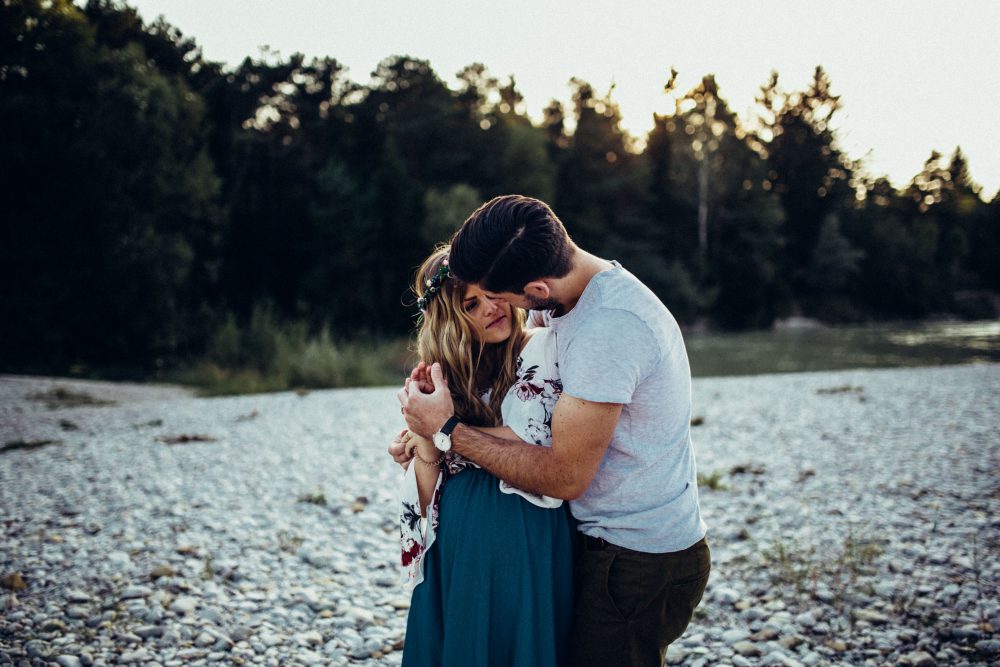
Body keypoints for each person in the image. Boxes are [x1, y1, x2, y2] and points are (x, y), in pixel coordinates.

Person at [396, 195, 710, 667]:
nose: (499, 309)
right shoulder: (569, 301)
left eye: (504, 298)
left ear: (537, 290)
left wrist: (446, 430)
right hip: (601, 542)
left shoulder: (608, 327)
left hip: (636, 556)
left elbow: (564, 475)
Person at [395, 246, 576, 667]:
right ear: (451, 318)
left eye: (492, 292)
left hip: (523, 529)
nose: (490, 308)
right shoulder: (447, 377)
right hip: (456, 540)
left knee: (520, 642)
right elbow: (423, 500)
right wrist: (423, 440)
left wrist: (442, 430)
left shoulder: (541, 347)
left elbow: (528, 439)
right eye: (470, 304)